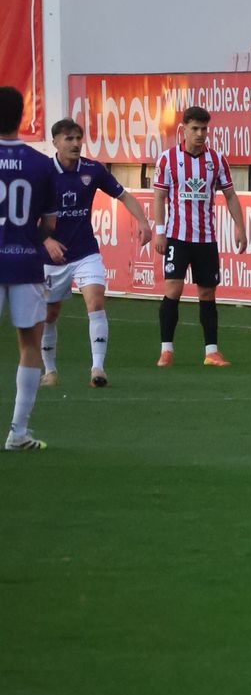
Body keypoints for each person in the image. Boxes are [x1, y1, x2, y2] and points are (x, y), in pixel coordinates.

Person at [40, 118, 152, 387]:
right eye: (69, 139)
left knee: (96, 302)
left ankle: (98, 369)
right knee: (49, 314)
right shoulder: (42, 173)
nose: (76, 143)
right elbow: (27, 217)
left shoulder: (92, 170)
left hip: (85, 252)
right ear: (55, 142)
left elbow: (124, 195)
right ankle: (50, 371)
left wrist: (143, 221)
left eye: (79, 138)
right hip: (50, 257)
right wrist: (47, 242)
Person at [151, 106, 249, 367]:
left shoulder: (216, 160)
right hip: (177, 237)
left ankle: (211, 352)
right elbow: (159, 196)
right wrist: (159, 232)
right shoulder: (168, 159)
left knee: (207, 294)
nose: (200, 134)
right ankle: (167, 350)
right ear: (183, 129)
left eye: (204, 129)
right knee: (174, 289)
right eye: (195, 128)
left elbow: (230, 195)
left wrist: (240, 227)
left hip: (206, 239)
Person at [0, 85, 60, 450]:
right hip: (25, 262)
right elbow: (50, 225)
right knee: (29, 345)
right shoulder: (40, 163)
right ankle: (18, 432)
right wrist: (26, 236)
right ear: (22, 116)